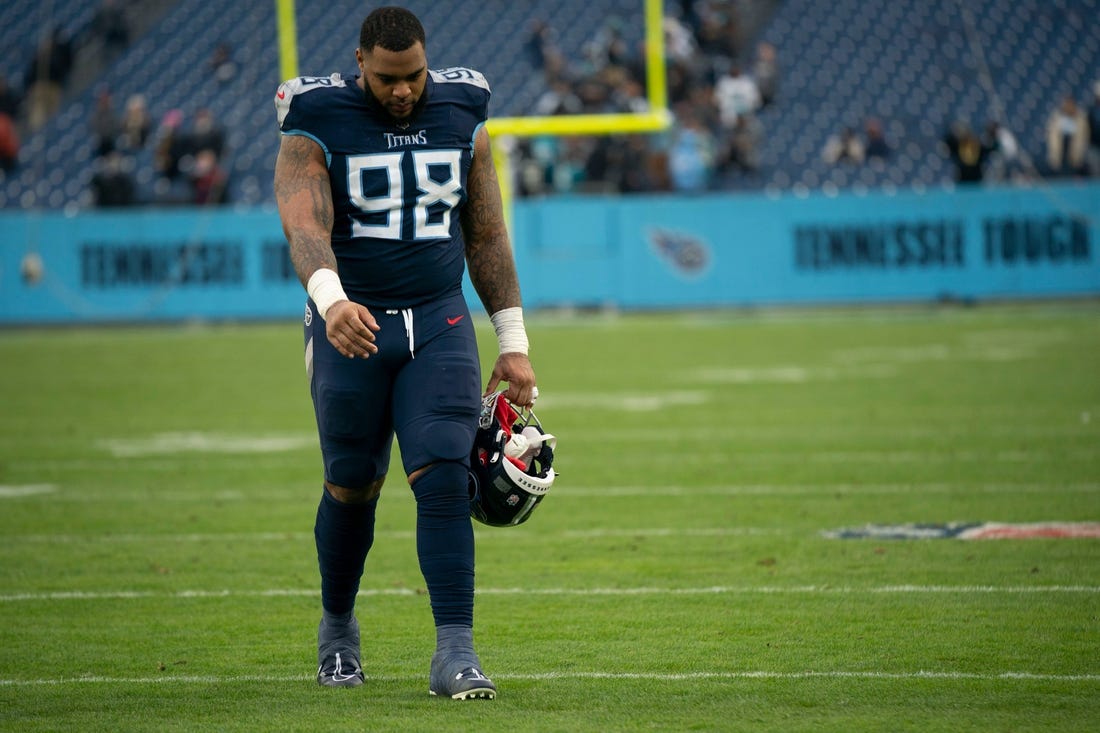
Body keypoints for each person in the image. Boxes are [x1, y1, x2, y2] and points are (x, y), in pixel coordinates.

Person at [273, 6, 537, 699]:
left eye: (414, 75)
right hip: (351, 321)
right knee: (352, 482)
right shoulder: (317, 115)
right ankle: (337, 629)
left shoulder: (461, 107)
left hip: (439, 319)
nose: (403, 91)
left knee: (445, 472)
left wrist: (512, 342)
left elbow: (484, 232)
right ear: (360, 62)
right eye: (389, 78)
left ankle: (456, 651)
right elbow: (304, 221)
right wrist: (332, 302)